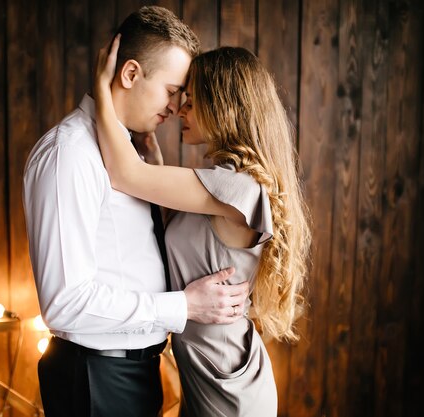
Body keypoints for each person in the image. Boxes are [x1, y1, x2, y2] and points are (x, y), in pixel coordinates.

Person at [22, 6, 251, 417]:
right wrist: (183, 306)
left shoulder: (131, 156)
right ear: (130, 74)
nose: (175, 107)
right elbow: (64, 302)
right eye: (170, 90)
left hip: (135, 371)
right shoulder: (70, 154)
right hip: (96, 377)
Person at [94, 36, 312, 416]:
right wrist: (155, 160)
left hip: (227, 384)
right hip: (211, 370)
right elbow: (182, 235)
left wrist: (100, 87)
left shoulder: (236, 187)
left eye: (191, 101)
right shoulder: (223, 184)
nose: (179, 110)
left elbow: (124, 174)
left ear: (223, 107)